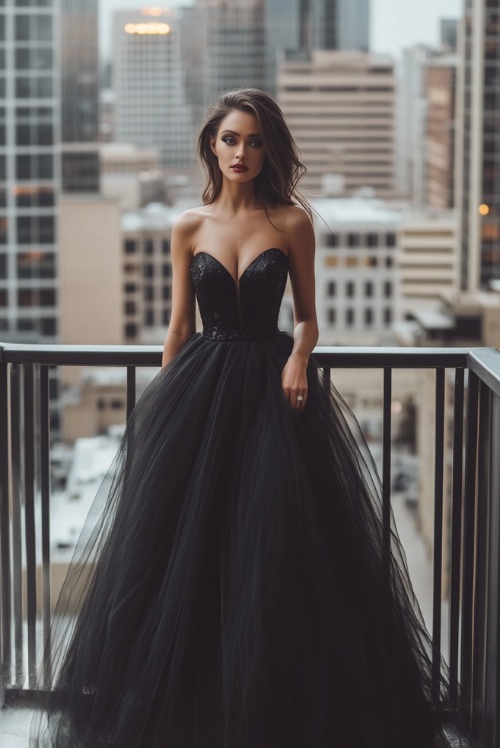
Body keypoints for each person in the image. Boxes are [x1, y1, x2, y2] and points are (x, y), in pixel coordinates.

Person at [34, 88, 470, 748]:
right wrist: (163, 405)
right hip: (201, 390)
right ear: (212, 144)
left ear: (271, 150)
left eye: (256, 140)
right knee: (188, 550)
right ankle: (192, 710)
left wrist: (299, 360)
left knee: (276, 542)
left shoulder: (291, 222)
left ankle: (278, 710)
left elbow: (307, 318)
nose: (242, 152)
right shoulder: (188, 225)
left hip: (272, 388)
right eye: (231, 139)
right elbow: (178, 327)